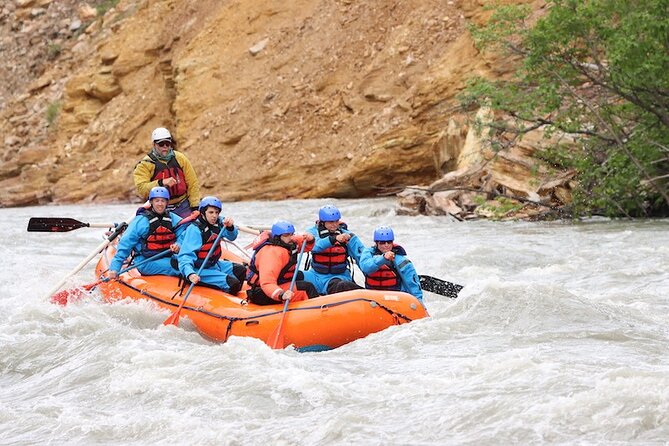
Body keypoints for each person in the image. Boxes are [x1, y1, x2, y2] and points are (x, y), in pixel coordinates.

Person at [108, 186, 186, 279]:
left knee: (187, 262)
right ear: (151, 202)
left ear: (167, 202)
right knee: (178, 265)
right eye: (157, 201)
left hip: (168, 257)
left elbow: (184, 236)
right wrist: (115, 268)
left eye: (163, 201)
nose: (160, 204)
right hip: (146, 262)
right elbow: (126, 244)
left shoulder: (174, 219)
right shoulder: (141, 221)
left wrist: (179, 244)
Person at [176, 196, 246, 294]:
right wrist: (190, 273)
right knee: (232, 283)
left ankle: (237, 296)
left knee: (241, 270)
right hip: (198, 269)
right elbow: (185, 256)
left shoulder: (220, 223)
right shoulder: (195, 229)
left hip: (214, 265)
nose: (214, 216)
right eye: (211, 212)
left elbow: (232, 237)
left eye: (217, 212)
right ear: (203, 212)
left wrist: (230, 227)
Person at [246, 220, 319, 306]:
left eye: (292, 234)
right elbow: (267, 283)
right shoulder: (271, 254)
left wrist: (310, 239)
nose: (291, 237)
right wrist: (281, 294)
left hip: (279, 281)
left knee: (300, 276)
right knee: (307, 287)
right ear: (278, 237)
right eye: (287, 235)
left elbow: (304, 244)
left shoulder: (287, 242)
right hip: (261, 291)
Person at [133, 127, 201, 218]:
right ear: (154, 144)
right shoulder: (145, 164)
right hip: (159, 207)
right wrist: (161, 182)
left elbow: (192, 183)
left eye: (168, 143)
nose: (165, 146)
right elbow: (142, 189)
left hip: (183, 205)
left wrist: (195, 207)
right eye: (161, 144)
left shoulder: (180, 158)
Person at [301, 204, 365, 295]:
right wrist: (334, 239)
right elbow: (314, 247)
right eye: (331, 222)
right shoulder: (312, 233)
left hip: (338, 276)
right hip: (315, 275)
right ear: (322, 222)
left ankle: (366, 295)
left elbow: (362, 259)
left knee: (341, 285)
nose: (335, 225)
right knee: (292, 277)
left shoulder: (348, 236)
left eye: (336, 221)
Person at [359, 226, 423, 302]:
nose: (386, 245)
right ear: (376, 243)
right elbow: (366, 267)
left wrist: (420, 305)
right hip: (372, 298)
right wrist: (383, 258)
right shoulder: (368, 254)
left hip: (394, 299)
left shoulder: (401, 261)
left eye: (389, 242)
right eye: (382, 242)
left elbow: (413, 287)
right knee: (344, 285)